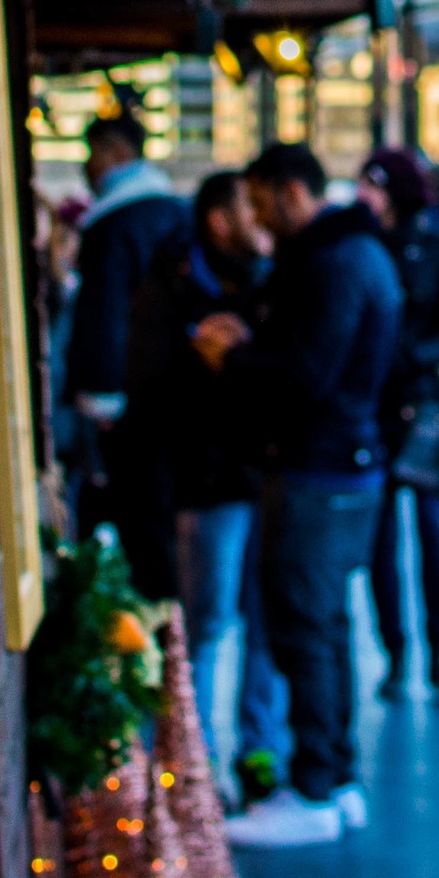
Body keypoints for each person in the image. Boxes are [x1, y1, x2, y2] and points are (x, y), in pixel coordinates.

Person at [209, 144, 403, 850]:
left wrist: (231, 357)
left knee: (305, 625)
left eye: (260, 204)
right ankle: (335, 778)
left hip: (318, 465)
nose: (257, 222)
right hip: (345, 462)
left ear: (291, 193)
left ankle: (318, 785)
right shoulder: (356, 253)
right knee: (325, 626)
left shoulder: (331, 262)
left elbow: (308, 373)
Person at [126, 172, 291, 792]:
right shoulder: (173, 286)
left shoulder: (270, 281)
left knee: (261, 617)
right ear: (222, 221)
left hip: (260, 473)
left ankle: (258, 749)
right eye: (252, 209)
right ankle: (198, 762)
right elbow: (151, 388)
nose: (262, 220)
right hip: (208, 480)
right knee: (210, 620)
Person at [360, 147, 439, 698]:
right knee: (382, 538)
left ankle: (438, 648)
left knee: (435, 530)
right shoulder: (369, 249)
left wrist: (421, 358)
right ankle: (396, 649)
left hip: (429, 408)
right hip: (378, 408)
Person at [61, 112, 192, 590]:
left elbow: (105, 312)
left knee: (138, 517)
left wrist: (100, 392)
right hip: (166, 389)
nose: (86, 166)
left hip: (128, 400)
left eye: (92, 153)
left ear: (116, 152)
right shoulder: (173, 210)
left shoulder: (114, 224)